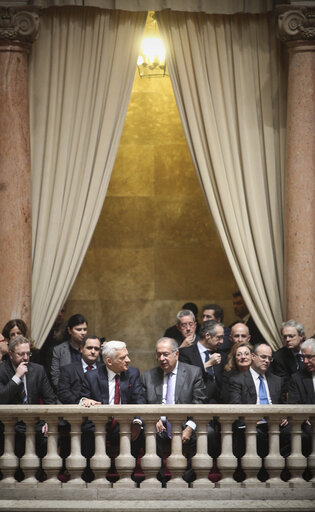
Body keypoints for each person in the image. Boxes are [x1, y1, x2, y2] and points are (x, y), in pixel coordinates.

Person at [141, 337, 207, 484]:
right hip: (159, 424)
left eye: (165, 354)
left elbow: (199, 402)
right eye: (158, 354)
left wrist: (190, 427)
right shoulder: (147, 376)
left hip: (185, 423)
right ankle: (158, 480)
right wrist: (152, 418)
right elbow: (142, 402)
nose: (161, 358)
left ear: (176, 354)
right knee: (148, 433)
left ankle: (188, 479)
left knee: (205, 433)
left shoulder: (193, 373)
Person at [0, 335, 56, 480]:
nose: (25, 358)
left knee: (49, 439)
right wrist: (17, 377)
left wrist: (48, 421)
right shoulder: (2, 371)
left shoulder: (38, 370)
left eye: (28, 353)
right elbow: (2, 398)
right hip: (10, 425)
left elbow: (50, 399)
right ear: (11, 354)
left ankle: (37, 478)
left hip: (35, 424)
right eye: (21, 354)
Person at [229, 342, 289, 460]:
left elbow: (283, 403)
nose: (266, 361)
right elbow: (235, 406)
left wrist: (285, 415)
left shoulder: (277, 380)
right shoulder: (237, 380)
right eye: (263, 357)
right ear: (253, 356)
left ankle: (280, 468)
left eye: (269, 358)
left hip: (275, 423)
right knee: (256, 435)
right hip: (252, 423)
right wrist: (252, 419)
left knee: (298, 434)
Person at [179, 320, 225, 403]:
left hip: (219, 403)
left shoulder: (221, 353)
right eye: (219, 337)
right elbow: (186, 378)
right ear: (207, 336)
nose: (222, 341)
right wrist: (208, 364)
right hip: (195, 402)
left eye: (222, 337)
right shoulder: (186, 353)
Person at [57, 335, 101, 404]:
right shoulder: (67, 370)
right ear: (81, 349)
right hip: (76, 410)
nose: (93, 351)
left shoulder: (104, 368)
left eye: (96, 349)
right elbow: (63, 394)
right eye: (89, 348)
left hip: (101, 409)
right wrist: (81, 402)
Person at [50, 313, 88, 390]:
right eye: (79, 329)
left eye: (85, 329)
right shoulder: (59, 350)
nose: (83, 333)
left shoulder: (91, 348)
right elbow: (55, 376)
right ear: (69, 330)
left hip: (88, 393)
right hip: (65, 393)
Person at [272, 320, 305, 392]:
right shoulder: (279, 356)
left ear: (301, 336)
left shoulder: (311, 351)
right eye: (285, 337)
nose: (287, 340)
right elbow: (283, 382)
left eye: (291, 336)